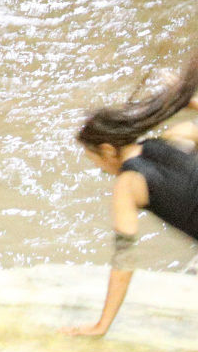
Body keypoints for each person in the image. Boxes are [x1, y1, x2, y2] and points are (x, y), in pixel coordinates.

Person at [65, 56, 198, 337]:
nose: (99, 169)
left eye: (95, 160)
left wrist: (101, 326)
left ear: (108, 150)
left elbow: (124, 261)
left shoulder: (128, 184)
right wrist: (190, 102)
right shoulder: (176, 137)